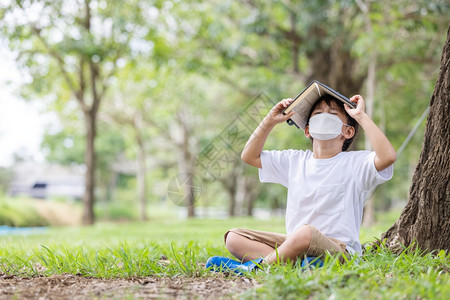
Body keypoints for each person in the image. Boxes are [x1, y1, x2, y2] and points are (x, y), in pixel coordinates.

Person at [206, 93, 397, 274]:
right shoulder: (294, 161)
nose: (323, 117)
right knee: (234, 237)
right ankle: (299, 264)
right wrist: (269, 121)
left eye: (332, 114)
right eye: (317, 114)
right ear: (307, 129)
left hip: (340, 250)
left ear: (347, 131)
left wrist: (360, 116)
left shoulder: (355, 163)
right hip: (295, 243)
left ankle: (257, 267)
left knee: (306, 232)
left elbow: (388, 156)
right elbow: (249, 156)